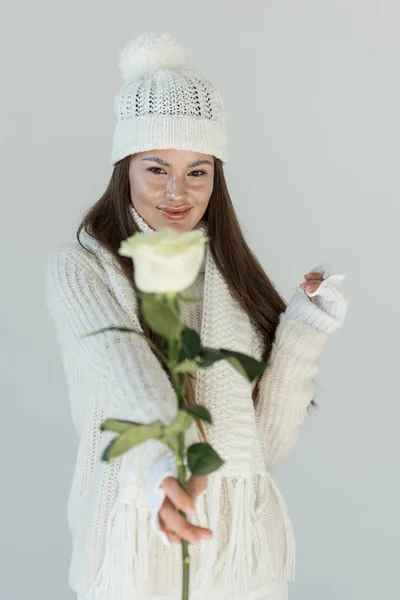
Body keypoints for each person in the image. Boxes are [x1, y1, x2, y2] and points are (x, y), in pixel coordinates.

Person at [44, 32, 348, 600]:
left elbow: (263, 450)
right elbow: (120, 364)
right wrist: (163, 466)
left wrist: (306, 328)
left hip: (242, 561)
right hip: (134, 546)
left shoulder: (229, 275)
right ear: (124, 167)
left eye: (199, 171)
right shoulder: (81, 270)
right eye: (157, 168)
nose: (177, 192)